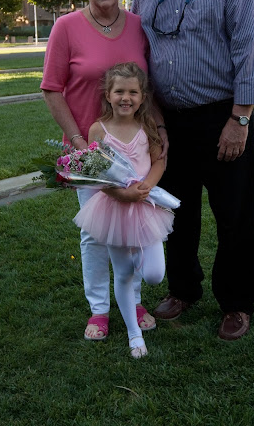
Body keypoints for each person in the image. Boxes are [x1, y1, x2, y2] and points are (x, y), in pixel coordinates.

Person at [131, 0, 254, 341]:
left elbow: (250, 51)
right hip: (169, 121)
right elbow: (139, 52)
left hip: (222, 117)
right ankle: (183, 289)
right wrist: (151, 122)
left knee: (233, 215)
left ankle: (236, 302)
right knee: (176, 213)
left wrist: (240, 119)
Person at [40, 0, 156, 341]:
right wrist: (77, 142)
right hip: (90, 151)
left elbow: (149, 85)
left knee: (133, 227)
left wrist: (156, 132)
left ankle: (133, 300)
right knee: (94, 233)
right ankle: (99, 310)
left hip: (133, 145)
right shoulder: (66, 27)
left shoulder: (139, 25)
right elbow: (51, 88)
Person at [73, 62, 173, 358]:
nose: (125, 98)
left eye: (132, 92)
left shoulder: (147, 125)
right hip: (113, 209)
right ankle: (134, 335)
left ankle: (132, 269)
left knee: (154, 274)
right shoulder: (98, 129)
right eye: (119, 91)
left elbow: (158, 161)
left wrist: (145, 187)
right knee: (123, 274)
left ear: (142, 97)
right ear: (108, 95)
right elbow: (95, 174)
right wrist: (122, 193)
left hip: (145, 207)